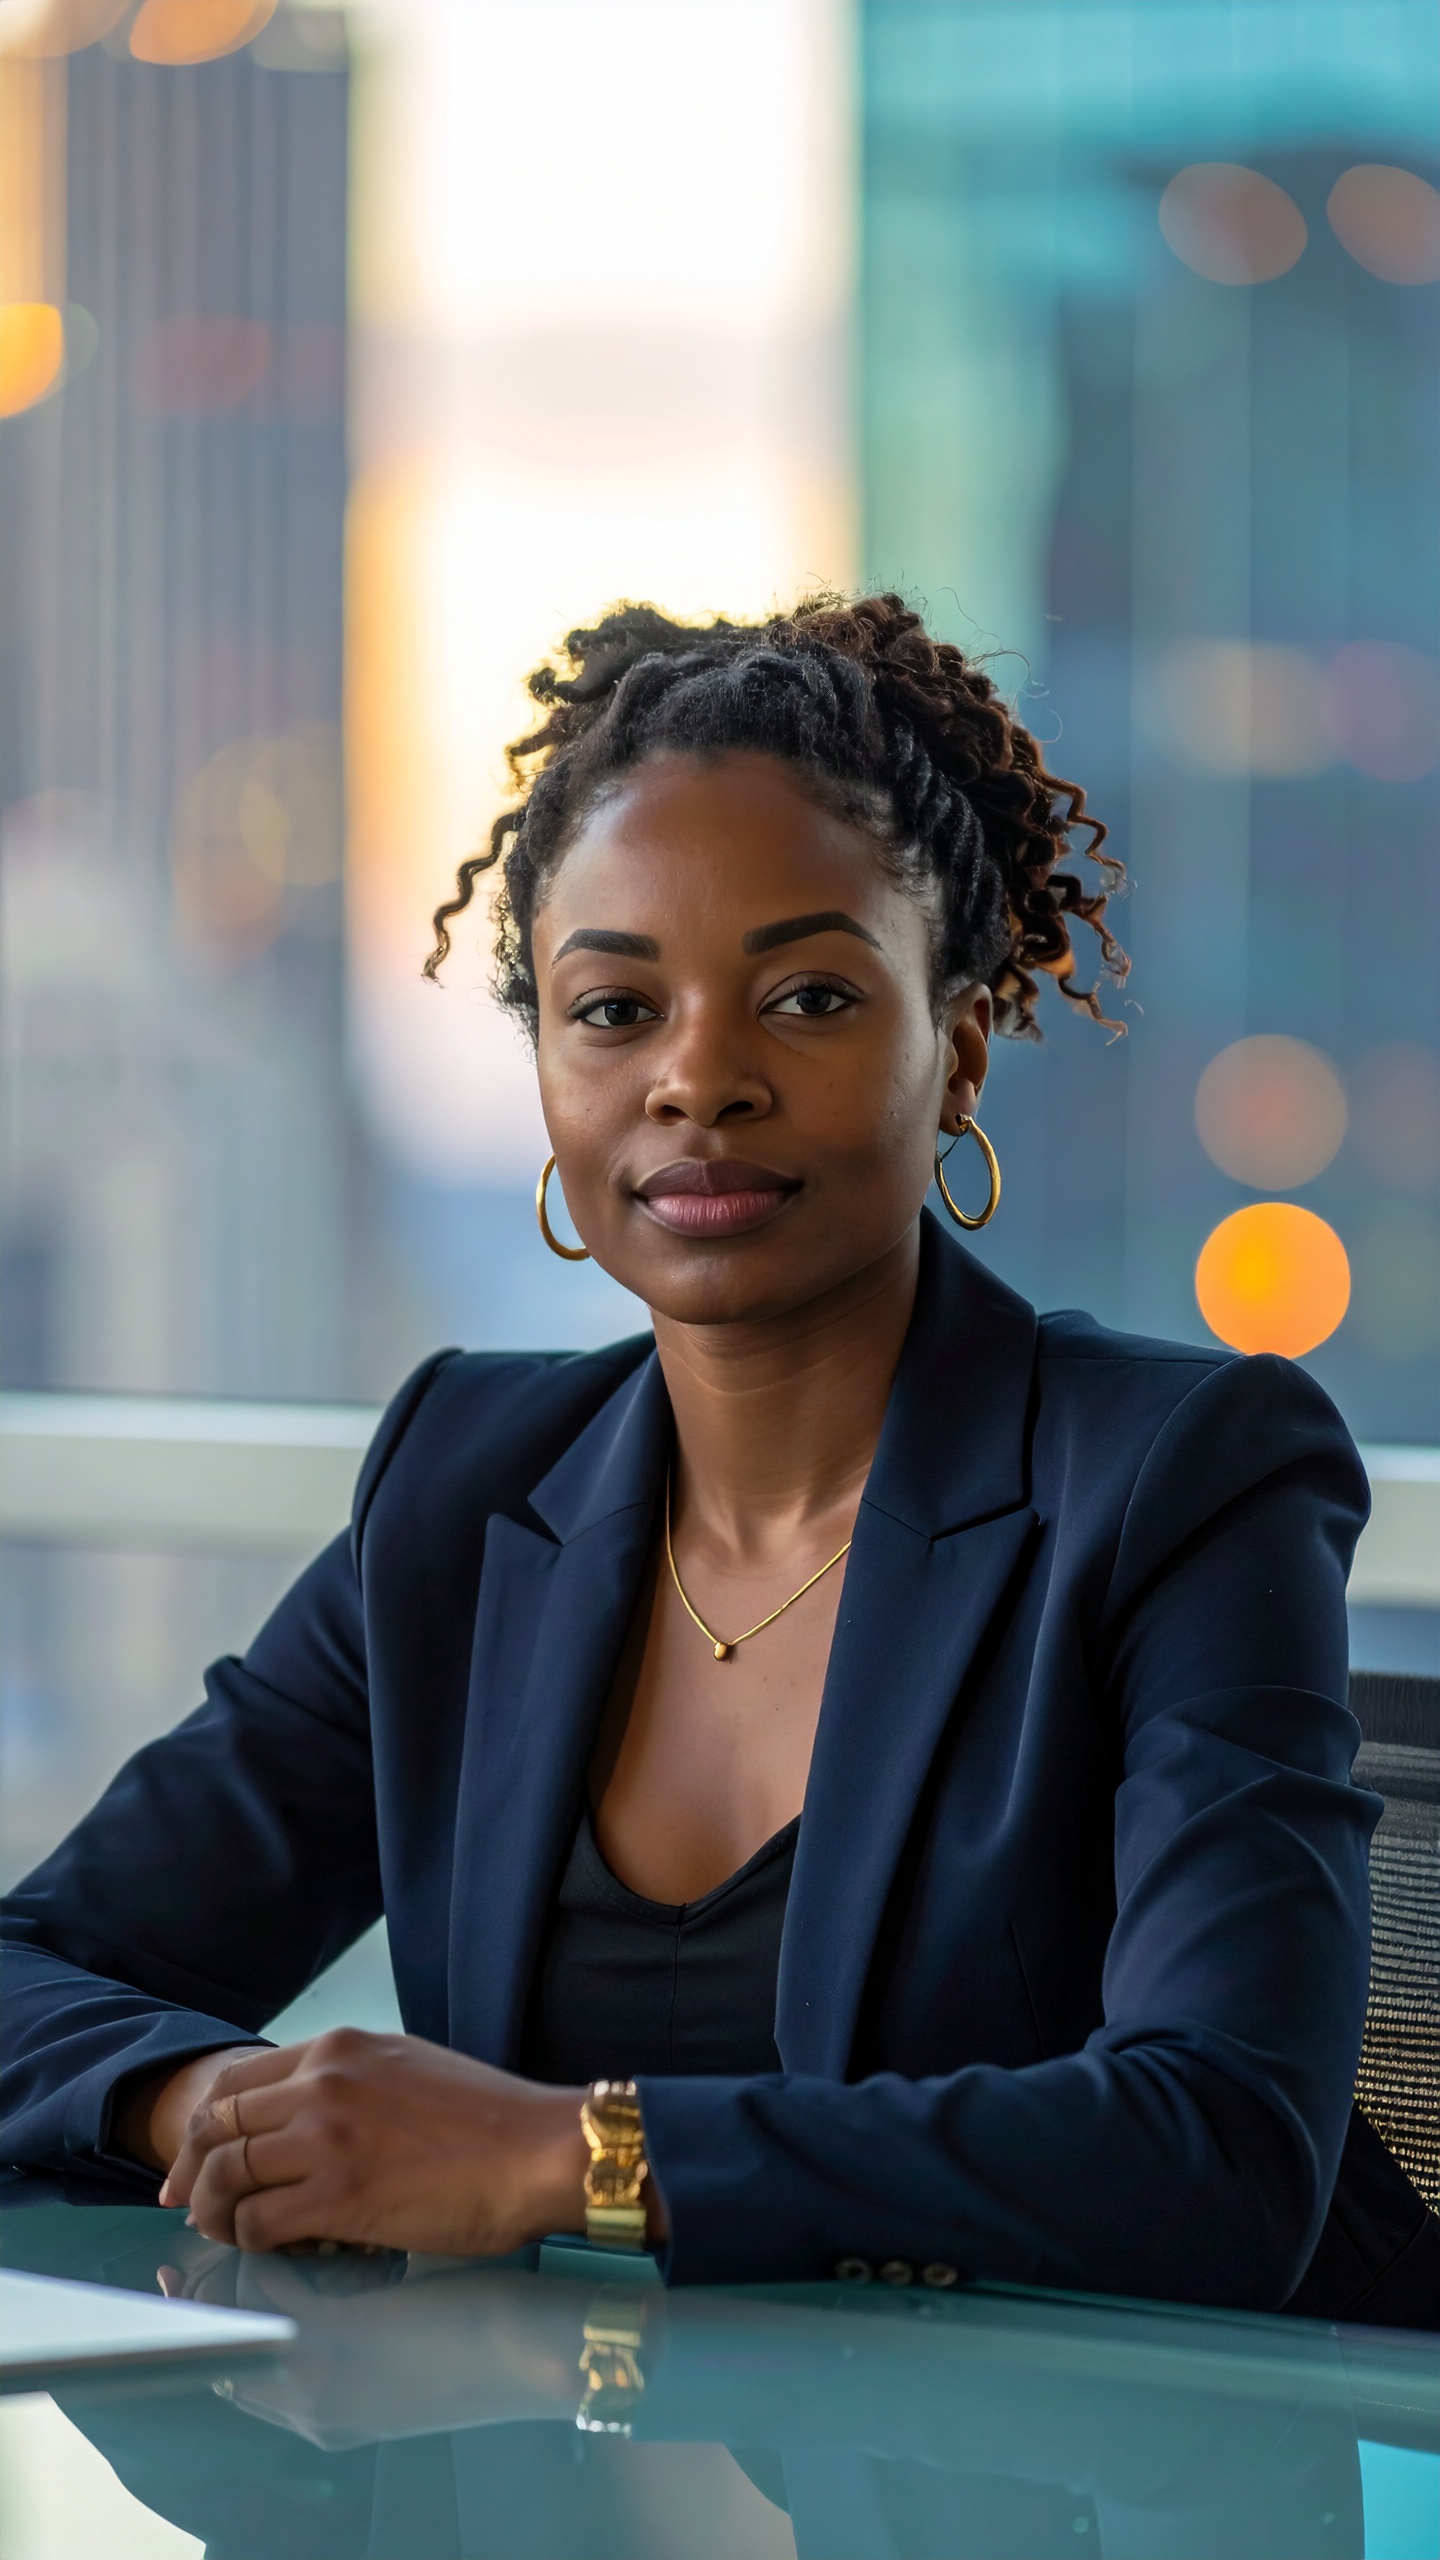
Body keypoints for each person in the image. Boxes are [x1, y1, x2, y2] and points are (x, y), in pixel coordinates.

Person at [2, 596, 1433, 2325]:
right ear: (544, 1067)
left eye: (810, 996)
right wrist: (242, 2114)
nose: (701, 1079)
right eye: (614, 1009)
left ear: (956, 1043)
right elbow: (35, 1972)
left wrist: (564, 2158)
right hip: (542, 2474)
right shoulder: (468, 1488)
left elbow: (1215, 2154)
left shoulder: (1183, 1480)